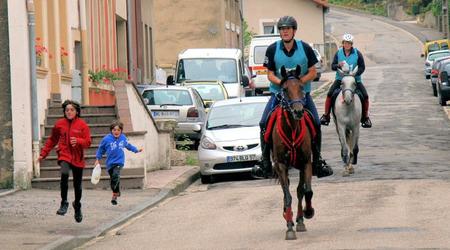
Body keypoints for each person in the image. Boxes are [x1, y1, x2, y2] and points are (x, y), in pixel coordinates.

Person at [253, 15, 333, 178]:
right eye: (282, 29)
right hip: (279, 94)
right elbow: (269, 74)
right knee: (263, 123)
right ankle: (265, 162)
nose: (285, 32)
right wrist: (283, 83)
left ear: (294, 31)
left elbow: (312, 71)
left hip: (300, 96)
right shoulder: (272, 49)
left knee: (316, 123)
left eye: (287, 29)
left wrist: (298, 83)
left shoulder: (305, 48)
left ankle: (317, 161)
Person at [38, 100, 91, 223]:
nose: (69, 112)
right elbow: (52, 140)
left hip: (78, 158)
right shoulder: (59, 124)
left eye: (72, 110)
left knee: (78, 186)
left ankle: (77, 205)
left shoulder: (82, 125)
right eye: (67, 110)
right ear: (64, 112)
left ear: (77, 111)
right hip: (64, 155)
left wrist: (78, 141)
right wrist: (43, 154)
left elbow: (88, 142)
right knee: (64, 174)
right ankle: (64, 202)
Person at [320, 33, 372, 128]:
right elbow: (333, 66)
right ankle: (326, 115)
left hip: (355, 80)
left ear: (352, 44)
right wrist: (338, 65)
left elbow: (362, 67)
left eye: (349, 43)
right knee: (330, 93)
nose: (347, 45)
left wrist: (356, 74)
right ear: (343, 43)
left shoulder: (357, 53)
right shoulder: (338, 53)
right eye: (345, 43)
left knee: (365, 96)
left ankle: (365, 117)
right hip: (340, 79)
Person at [95, 120, 143, 205]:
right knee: (113, 179)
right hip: (110, 163)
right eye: (114, 130)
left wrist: (136, 150)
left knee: (115, 175)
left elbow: (128, 146)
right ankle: (116, 192)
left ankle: (114, 196)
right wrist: (97, 159)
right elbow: (101, 149)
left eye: (118, 130)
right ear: (111, 130)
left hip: (119, 161)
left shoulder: (123, 138)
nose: (116, 132)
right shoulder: (106, 139)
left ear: (121, 131)